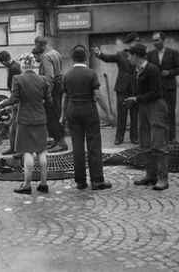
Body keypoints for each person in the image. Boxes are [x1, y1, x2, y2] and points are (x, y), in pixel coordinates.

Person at [60, 45, 114, 190]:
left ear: (73, 59)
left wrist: (62, 116)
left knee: (77, 146)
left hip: (72, 110)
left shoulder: (67, 75)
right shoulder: (91, 74)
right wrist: (108, 114)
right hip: (89, 110)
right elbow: (98, 96)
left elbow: (64, 97)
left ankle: (80, 181)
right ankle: (97, 181)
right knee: (94, 144)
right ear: (86, 57)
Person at [0, 54, 50, 195]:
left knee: (27, 152)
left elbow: (14, 99)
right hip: (40, 119)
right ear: (33, 64)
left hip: (25, 120)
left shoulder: (18, 79)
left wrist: (2, 103)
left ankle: (26, 185)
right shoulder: (43, 80)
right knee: (41, 151)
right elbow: (48, 101)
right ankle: (44, 184)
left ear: (23, 65)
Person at [125, 43, 169, 190]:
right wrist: (134, 100)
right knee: (146, 143)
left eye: (130, 55)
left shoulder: (152, 69)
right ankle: (151, 176)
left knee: (158, 144)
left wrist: (136, 99)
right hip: (144, 109)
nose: (128, 57)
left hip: (156, 107)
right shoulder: (138, 70)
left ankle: (163, 179)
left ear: (137, 55)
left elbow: (156, 92)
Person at [92, 32, 139, 145]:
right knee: (122, 115)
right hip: (122, 89)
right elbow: (108, 58)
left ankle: (134, 138)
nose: (137, 42)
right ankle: (119, 138)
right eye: (136, 40)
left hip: (135, 88)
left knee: (135, 115)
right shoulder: (120, 55)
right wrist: (98, 53)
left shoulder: (139, 54)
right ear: (130, 42)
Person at [34, 36, 68, 152]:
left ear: (40, 45)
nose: (35, 48)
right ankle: (58, 139)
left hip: (53, 87)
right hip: (60, 83)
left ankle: (61, 142)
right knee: (57, 112)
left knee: (51, 114)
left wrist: (46, 94)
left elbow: (49, 77)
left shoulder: (46, 56)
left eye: (36, 46)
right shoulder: (55, 52)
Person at [147, 31, 179, 142]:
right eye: (153, 41)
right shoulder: (150, 54)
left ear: (163, 40)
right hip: (155, 89)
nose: (154, 43)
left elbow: (178, 68)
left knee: (170, 112)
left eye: (157, 40)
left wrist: (169, 73)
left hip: (169, 88)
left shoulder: (173, 53)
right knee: (157, 113)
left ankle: (171, 138)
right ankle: (160, 137)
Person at [0, 50, 22, 156]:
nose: (3, 65)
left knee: (14, 127)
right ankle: (14, 147)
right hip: (16, 100)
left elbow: (14, 88)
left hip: (16, 100)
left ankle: (15, 148)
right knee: (13, 126)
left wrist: (7, 103)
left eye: (2, 62)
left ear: (5, 60)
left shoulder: (13, 69)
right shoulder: (16, 66)